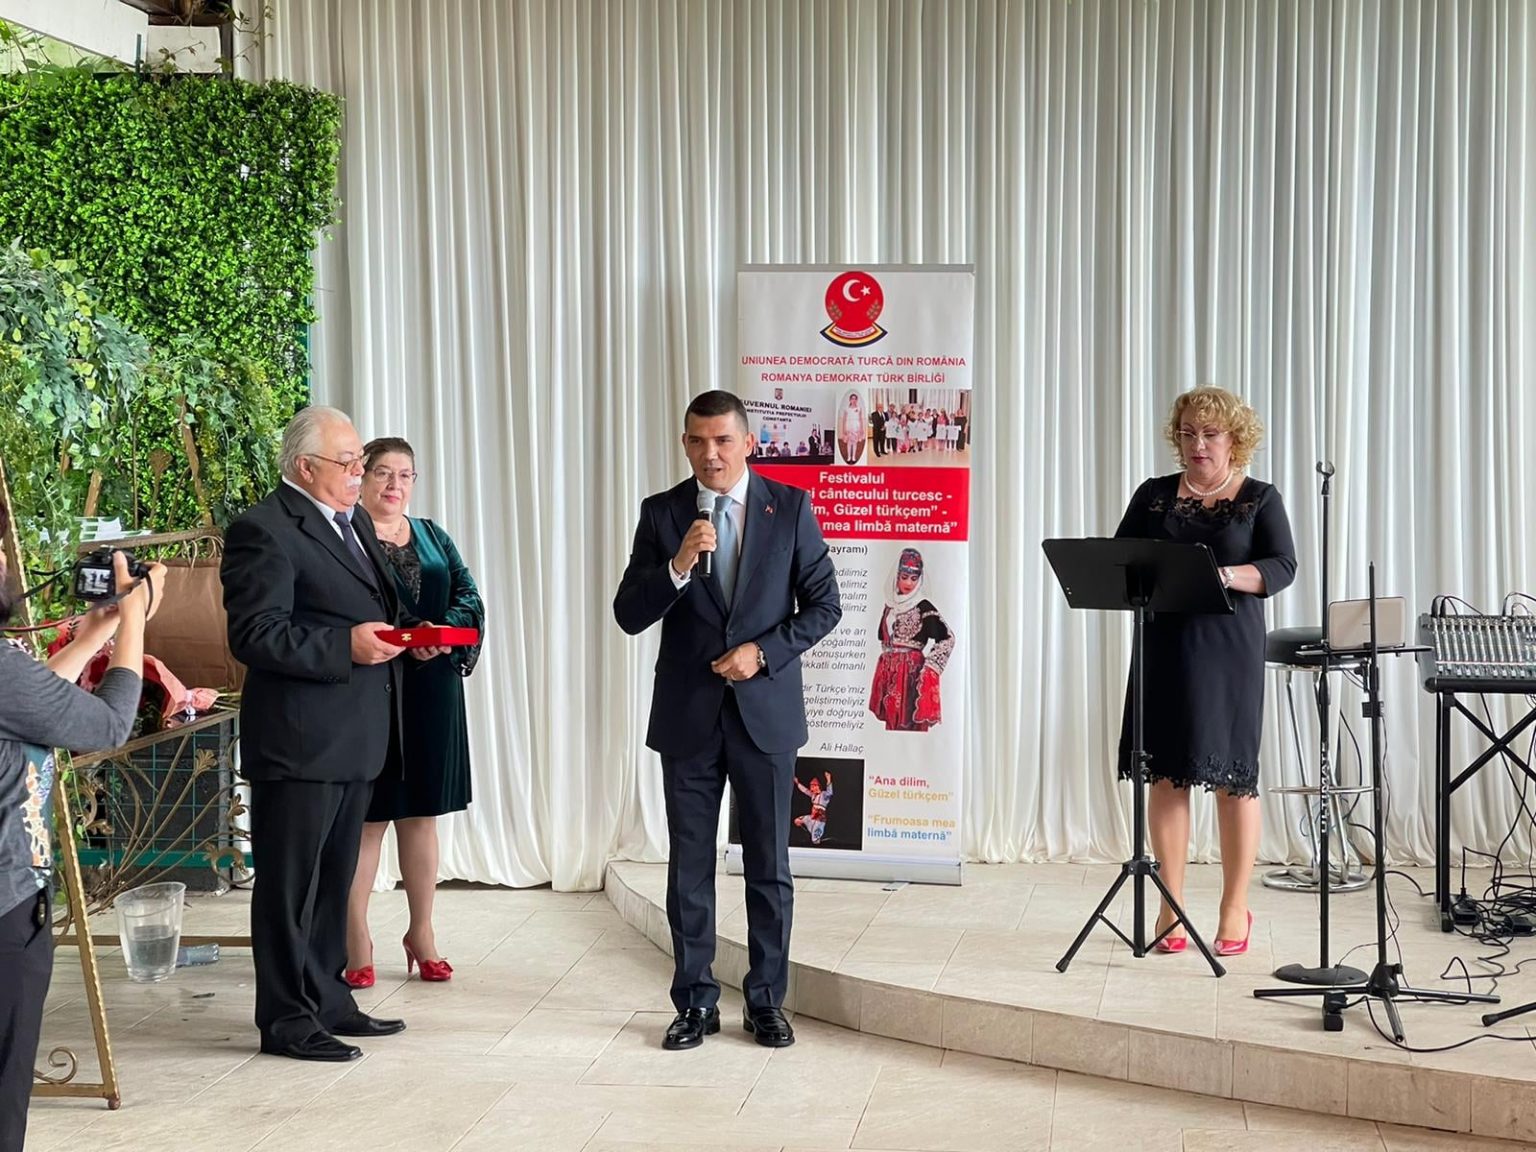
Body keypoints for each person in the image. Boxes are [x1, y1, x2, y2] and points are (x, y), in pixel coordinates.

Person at [613, 389, 841, 1051]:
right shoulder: (663, 513)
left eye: (721, 440)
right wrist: (677, 566)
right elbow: (629, 613)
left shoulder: (789, 507)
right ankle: (695, 1003)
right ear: (685, 444)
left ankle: (766, 1002)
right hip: (687, 718)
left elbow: (825, 606)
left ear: (748, 442)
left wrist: (762, 653)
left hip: (764, 715)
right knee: (689, 867)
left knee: (769, 865)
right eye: (697, 441)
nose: (709, 453)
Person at [221, 406, 415, 1062]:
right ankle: (285, 1019)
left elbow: (364, 607)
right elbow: (255, 634)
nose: (361, 472)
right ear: (305, 467)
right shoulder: (264, 530)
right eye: (349, 462)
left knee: (334, 884)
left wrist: (406, 638)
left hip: (354, 735)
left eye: (361, 460)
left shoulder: (350, 519)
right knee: (290, 888)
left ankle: (329, 999)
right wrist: (344, 647)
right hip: (299, 743)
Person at [1, 501, 163, 1152]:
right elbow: (108, 726)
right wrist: (134, 619)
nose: (5, 560)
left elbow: (32, 705)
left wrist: (95, 633)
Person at [1114, 385, 1296, 956]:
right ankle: (1170, 905)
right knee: (1166, 774)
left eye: (1210, 433)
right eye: (1188, 432)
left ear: (1234, 438)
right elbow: (1120, 559)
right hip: (1164, 645)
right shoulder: (1153, 495)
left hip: (1228, 649)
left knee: (1231, 778)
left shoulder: (1260, 498)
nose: (1198, 444)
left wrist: (1223, 575)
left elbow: (1282, 566)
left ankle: (1234, 905)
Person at [344, 437, 484, 988]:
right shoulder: (346, 535)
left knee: (422, 815)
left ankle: (421, 932)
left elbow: (469, 596)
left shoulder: (431, 534)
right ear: (362, 477)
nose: (394, 485)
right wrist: (404, 635)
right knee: (368, 819)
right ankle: (355, 937)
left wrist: (441, 632)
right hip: (372, 688)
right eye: (383, 472)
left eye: (405, 475)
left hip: (432, 691)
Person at [868, 548, 955, 732]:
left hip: (910, 673)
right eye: (904, 577)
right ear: (896, 576)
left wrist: (931, 668)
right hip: (889, 673)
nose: (908, 583)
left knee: (908, 725)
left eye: (914, 578)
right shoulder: (890, 606)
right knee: (892, 725)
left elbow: (948, 638)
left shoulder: (923, 606)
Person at [793, 771, 834, 845]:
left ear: (818, 786)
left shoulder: (823, 795)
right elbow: (805, 790)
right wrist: (797, 783)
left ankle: (816, 841)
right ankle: (809, 834)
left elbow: (829, 792)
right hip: (812, 817)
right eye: (811, 786)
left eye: (814, 786)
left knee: (815, 839)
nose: (812, 788)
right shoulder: (813, 795)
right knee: (797, 821)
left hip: (819, 819)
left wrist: (828, 779)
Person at [837, 392, 866, 465]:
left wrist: (861, 428)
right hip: (849, 425)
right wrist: (844, 428)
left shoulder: (859, 408)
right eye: (852, 399)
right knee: (849, 442)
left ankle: (853, 457)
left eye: (855, 399)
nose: (854, 400)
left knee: (855, 442)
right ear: (850, 400)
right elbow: (844, 419)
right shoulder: (846, 409)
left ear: (857, 400)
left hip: (856, 426)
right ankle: (849, 457)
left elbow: (860, 419)